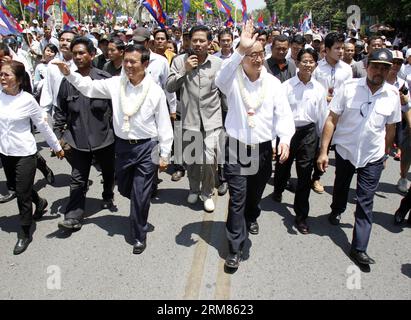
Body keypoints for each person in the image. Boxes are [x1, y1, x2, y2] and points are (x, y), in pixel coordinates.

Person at [53, 44, 173, 254]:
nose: (127, 65)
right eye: (125, 61)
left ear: (145, 64)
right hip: (123, 148)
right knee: (126, 188)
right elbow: (88, 88)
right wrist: (69, 73)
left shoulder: (154, 91)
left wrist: (165, 154)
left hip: (148, 147)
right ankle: (136, 205)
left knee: (141, 193)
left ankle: (138, 234)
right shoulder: (115, 83)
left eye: (132, 62)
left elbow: (164, 124)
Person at [215, 20, 294, 269]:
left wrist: (285, 140)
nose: (258, 59)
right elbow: (220, 78)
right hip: (236, 149)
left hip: (261, 149)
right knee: (237, 196)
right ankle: (235, 247)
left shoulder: (273, 84)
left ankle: (252, 216)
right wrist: (240, 48)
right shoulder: (232, 79)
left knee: (254, 195)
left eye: (261, 54)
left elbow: (283, 115)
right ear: (243, 58)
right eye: (252, 55)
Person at [317, 48, 401, 267]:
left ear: (389, 70)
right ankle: (337, 209)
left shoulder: (392, 95)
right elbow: (331, 120)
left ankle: (359, 248)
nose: (379, 72)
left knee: (366, 201)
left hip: (372, 156)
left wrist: (384, 154)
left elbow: (391, 129)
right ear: (366, 66)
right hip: (346, 151)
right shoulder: (349, 88)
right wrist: (324, 151)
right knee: (341, 186)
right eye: (375, 66)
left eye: (384, 68)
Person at [0, 61, 64, 255]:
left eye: (6, 75)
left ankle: (25, 232)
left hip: (25, 153)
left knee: (21, 194)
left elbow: (42, 126)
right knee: (20, 189)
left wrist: (56, 146)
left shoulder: (27, 100)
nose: (2, 78)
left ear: (19, 80)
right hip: (5, 152)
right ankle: (41, 202)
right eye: (1, 74)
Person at [54, 37, 116, 231]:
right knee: (78, 178)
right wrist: (58, 135)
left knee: (108, 172)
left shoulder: (104, 79)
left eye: (82, 53)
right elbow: (61, 110)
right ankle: (73, 216)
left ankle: (107, 194)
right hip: (77, 139)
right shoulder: (66, 81)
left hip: (104, 138)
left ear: (92, 54)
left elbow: (116, 110)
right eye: (75, 54)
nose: (78, 57)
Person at [167, 25, 224, 213]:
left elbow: (224, 92)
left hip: (212, 120)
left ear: (209, 43)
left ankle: (207, 193)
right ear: (189, 42)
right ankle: (193, 188)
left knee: (208, 158)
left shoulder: (217, 64)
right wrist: (184, 69)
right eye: (195, 40)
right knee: (192, 159)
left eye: (202, 40)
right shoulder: (179, 61)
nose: (198, 44)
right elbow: (169, 86)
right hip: (189, 119)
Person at [273, 48, 328, 234]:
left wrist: (323, 145)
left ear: (315, 65)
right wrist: (276, 139)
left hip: (309, 133)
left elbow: (322, 116)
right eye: (304, 61)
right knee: (283, 165)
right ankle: (278, 188)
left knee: (305, 174)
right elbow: (277, 114)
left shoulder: (319, 89)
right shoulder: (286, 87)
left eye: (311, 61)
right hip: (288, 131)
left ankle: (301, 216)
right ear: (297, 63)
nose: (307, 65)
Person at [311, 32, 353, 194]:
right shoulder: (317, 68)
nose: (341, 51)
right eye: (337, 48)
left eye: (342, 48)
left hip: (336, 116)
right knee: (313, 147)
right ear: (326, 50)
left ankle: (316, 177)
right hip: (318, 114)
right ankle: (306, 174)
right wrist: (325, 97)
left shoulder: (347, 70)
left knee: (325, 147)